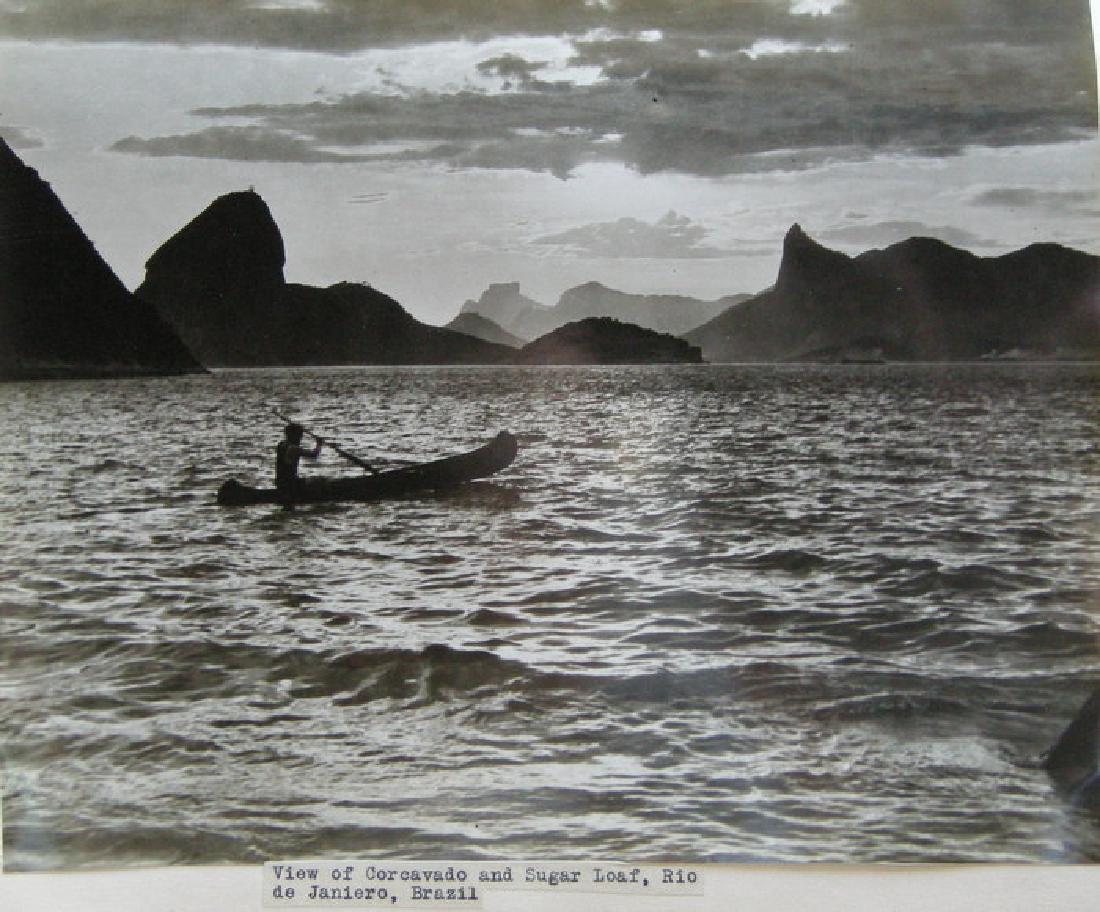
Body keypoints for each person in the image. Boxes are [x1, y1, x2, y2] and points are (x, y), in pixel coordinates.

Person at [276, 423, 323, 508]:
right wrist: (319, 444)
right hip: (290, 484)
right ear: (293, 436)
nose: (300, 439)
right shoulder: (293, 449)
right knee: (320, 481)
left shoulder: (281, 444)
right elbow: (314, 455)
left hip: (280, 482)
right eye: (299, 436)